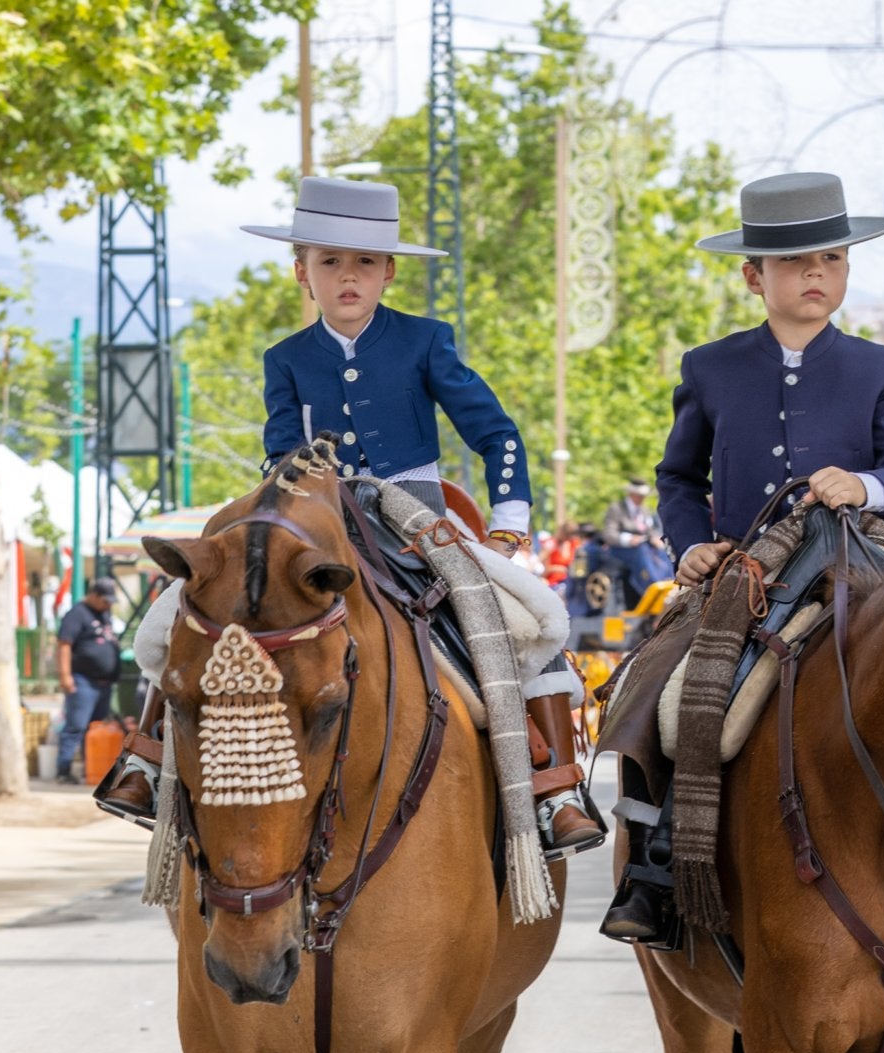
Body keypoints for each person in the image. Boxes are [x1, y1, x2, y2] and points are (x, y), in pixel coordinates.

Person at [101, 177, 602, 857]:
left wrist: (509, 524)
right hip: (316, 517)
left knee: (528, 616)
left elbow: (499, 434)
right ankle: (147, 758)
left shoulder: (426, 340)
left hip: (416, 522)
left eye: (364, 262)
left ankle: (554, 789)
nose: (348, 276)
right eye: (330, 261)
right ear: (301, 270)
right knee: (183, 608)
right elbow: (280, 452)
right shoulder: (285, 358)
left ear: (388, 271)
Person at [601, 170, 884, 942]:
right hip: (743, 574)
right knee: (662, 692)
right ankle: (655, 867)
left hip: (855, 564)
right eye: (795, 262)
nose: (817, 274)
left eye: (832, 259)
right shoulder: (709, 367)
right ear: (755, 275)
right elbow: (678, 476)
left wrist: (864, 483)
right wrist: (690, 547)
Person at [55, 579, 122, 785]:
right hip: (82, 681)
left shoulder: (104, 614)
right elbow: (64, 644)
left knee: (96, 728)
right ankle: (64, 770)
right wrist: (65, 676)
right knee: (76, 726)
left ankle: (92, 767)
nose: (108, 605)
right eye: (105, 600)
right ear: (93, 595)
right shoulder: (77, 614)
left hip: (103, 683)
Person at [600, 478, 662, 553]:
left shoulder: (645, 510)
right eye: (639, 495)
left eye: (643, 496)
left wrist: (654, 538)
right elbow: (609, 533)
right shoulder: (616, 508)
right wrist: (628, 539)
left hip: (645, 547)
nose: (642, 498)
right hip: (623, 549)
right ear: (631, 494)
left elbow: (649, 529)